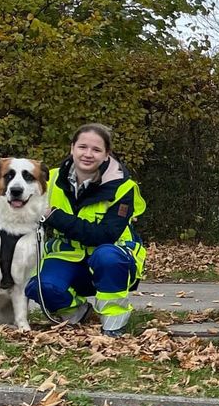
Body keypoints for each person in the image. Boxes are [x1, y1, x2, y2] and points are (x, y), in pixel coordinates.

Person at [25, 123, 147, 336]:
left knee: (107, 255)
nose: (88, 154)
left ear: (107, 154)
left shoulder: (123, 187)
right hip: (68, 257)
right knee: (38, 288)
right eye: (82, 147)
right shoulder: (50, 179)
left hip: (112, 260)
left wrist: (55, 216)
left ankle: (113, 324)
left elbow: (104, 235)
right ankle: (77, 312)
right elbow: (12, 200)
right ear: (72, 148)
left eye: (96, 149)